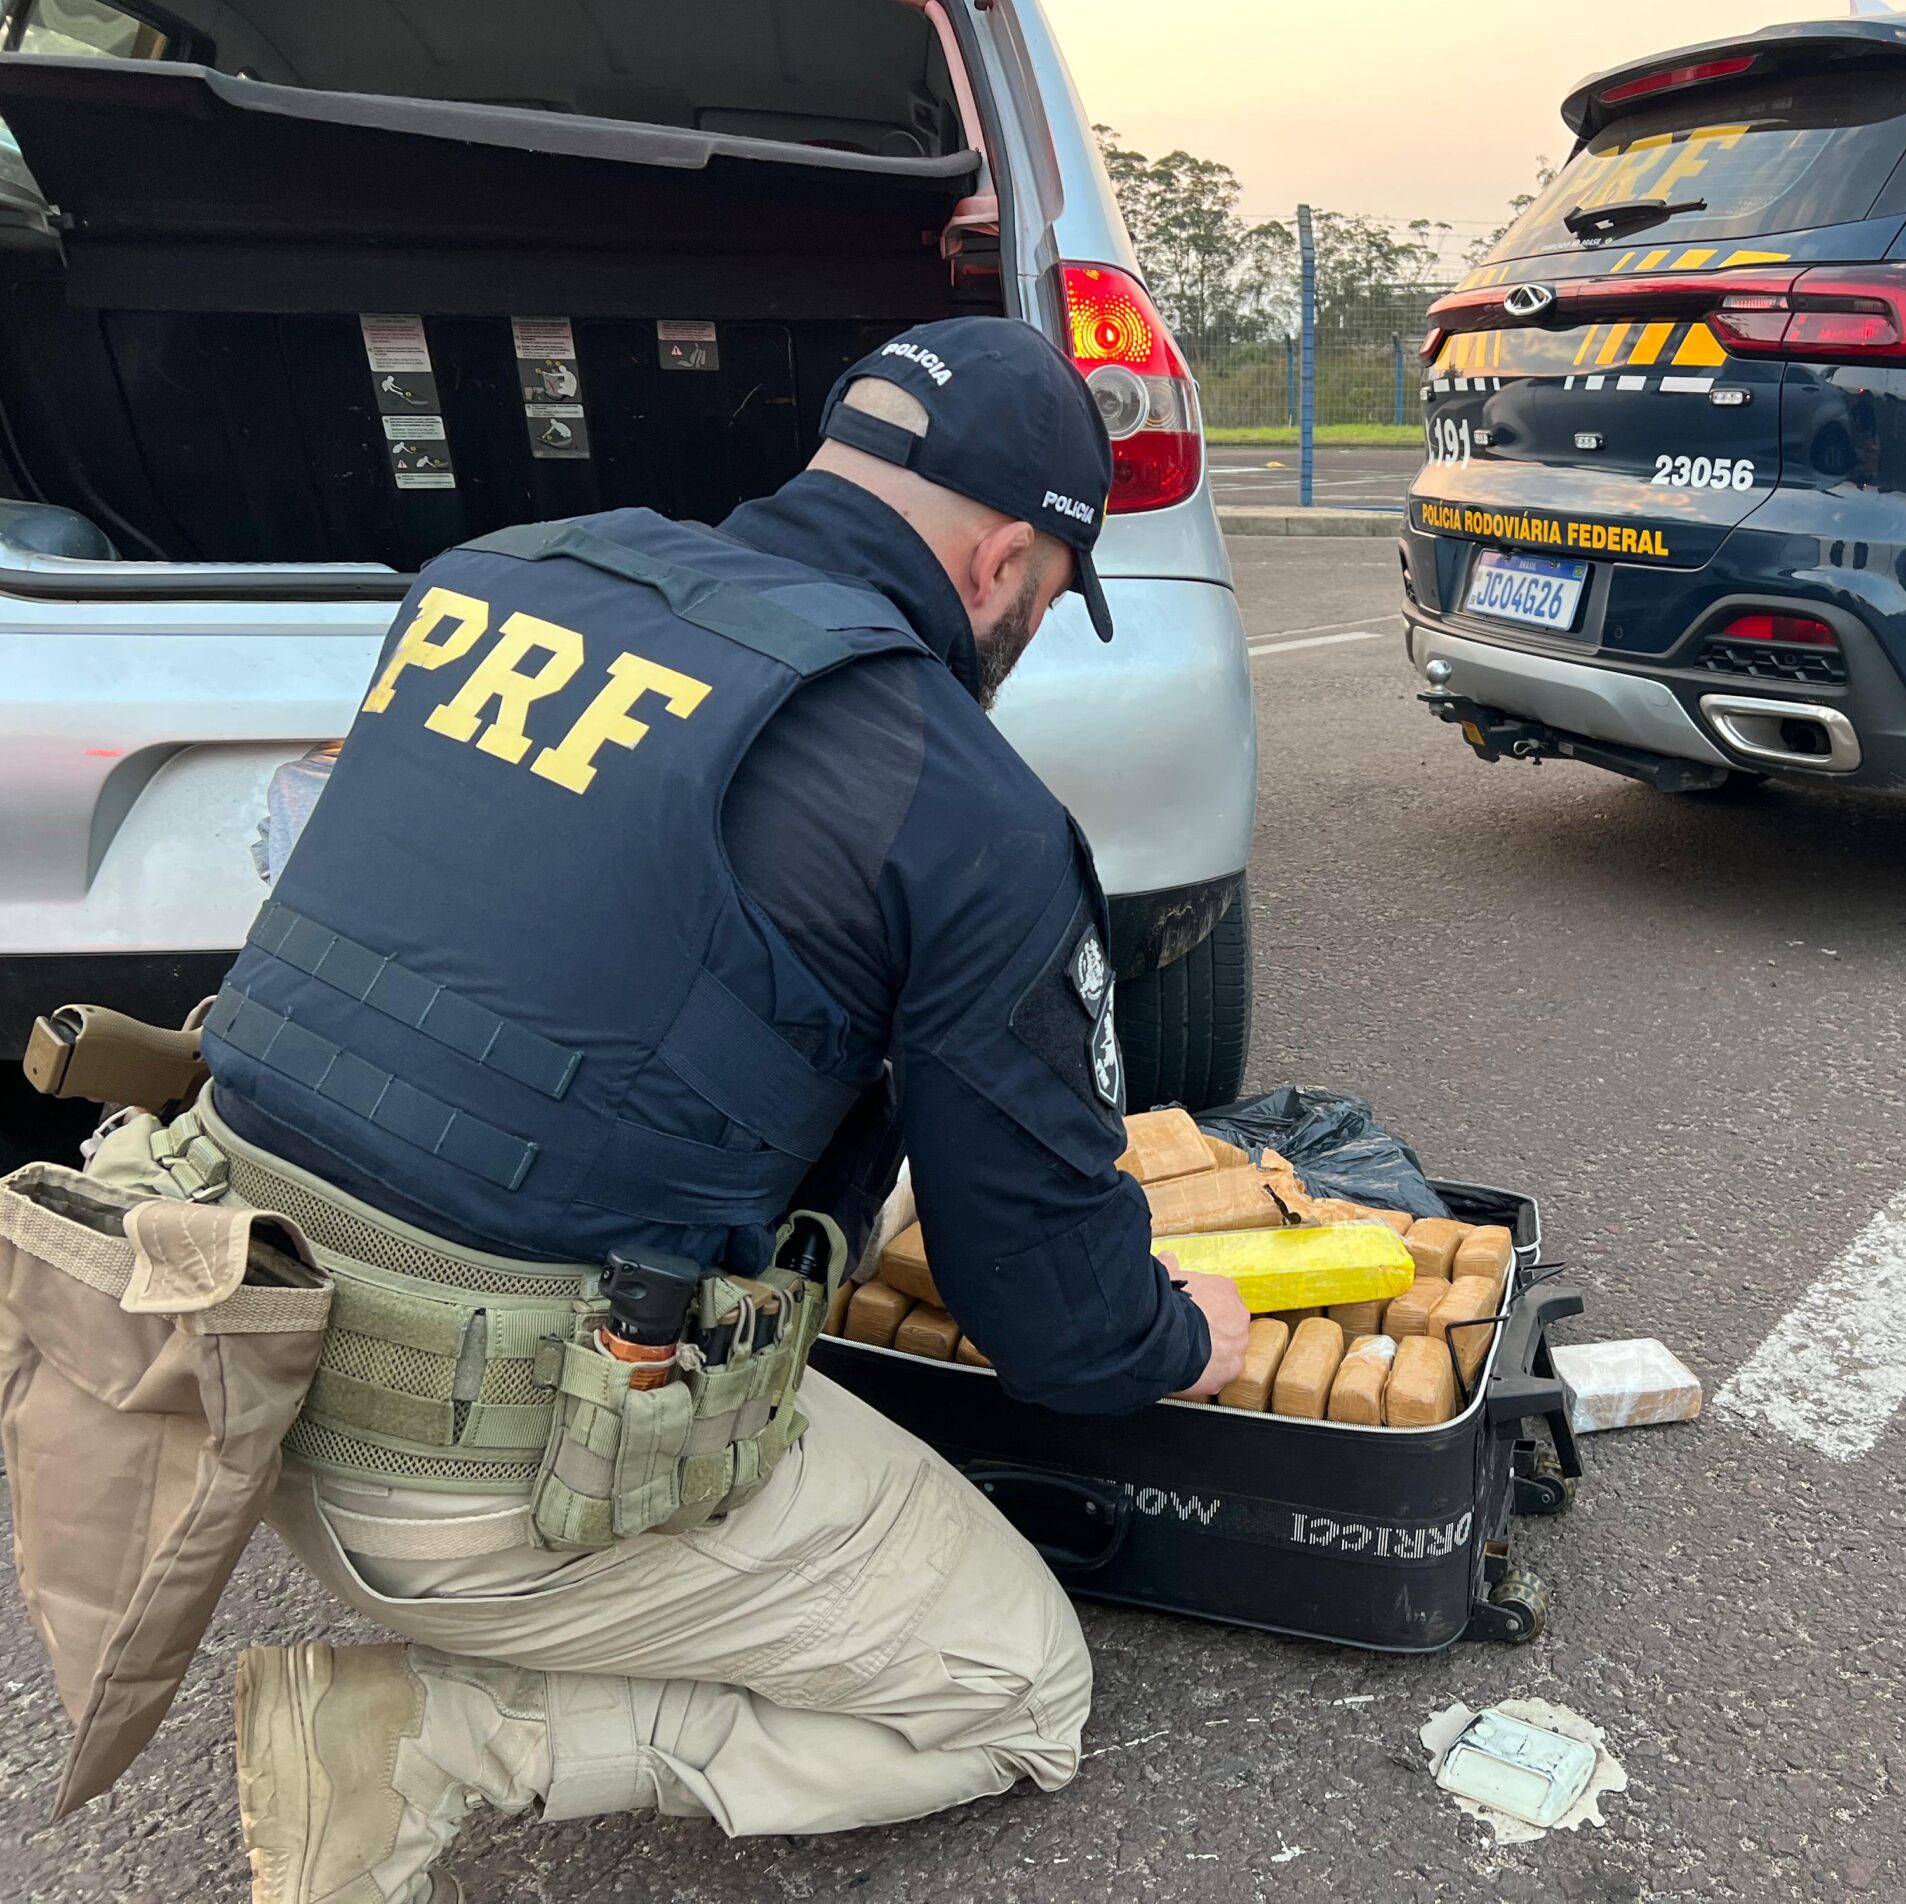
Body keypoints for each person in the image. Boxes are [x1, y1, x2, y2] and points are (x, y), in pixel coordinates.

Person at [86, 316, 1252, 1902]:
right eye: (1047, 604)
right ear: (1001, 568)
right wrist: (1180, 1334)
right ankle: (436, 1738)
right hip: (484, 1475)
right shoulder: (958, 798)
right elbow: (1054, 1323)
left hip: (204, 1358)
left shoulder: (493, 575)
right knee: (1016, 1692)